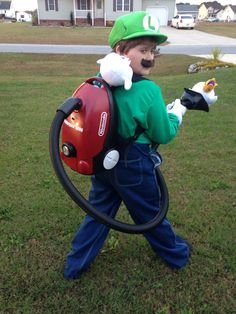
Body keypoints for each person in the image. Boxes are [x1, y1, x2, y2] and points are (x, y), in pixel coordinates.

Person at [64, 11, 190, 280]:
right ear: (120, 50)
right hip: (134, 165)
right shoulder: (149, 91)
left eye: (154, 51)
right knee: (150, 215)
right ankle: (177, 255)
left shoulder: (98, 82)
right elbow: (164, 133)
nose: (150, 57)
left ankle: (75, 264)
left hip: (103, 161)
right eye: (143, 49)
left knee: (98, 213)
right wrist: (176, 113)